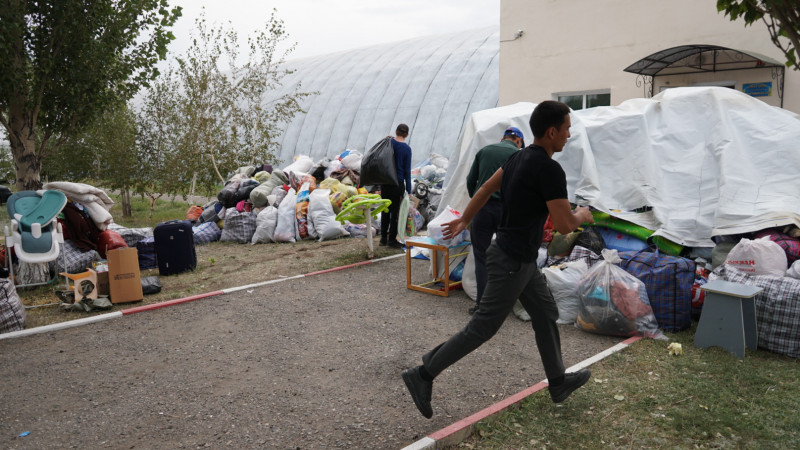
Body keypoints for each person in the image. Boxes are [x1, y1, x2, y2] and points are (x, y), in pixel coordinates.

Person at [401, 101, 595, 419]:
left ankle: (558, 382)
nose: (569, 134)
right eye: (567, 128)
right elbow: (563, 225)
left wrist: (465, 219)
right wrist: (581, 214)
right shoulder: (549, 169)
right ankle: (422, 374)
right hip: (511, 261)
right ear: (551, 131)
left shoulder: (517, 158)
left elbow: (485, 187)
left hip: (521, 260)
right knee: (482, 328)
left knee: (546, 313)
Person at [466, 126, 525, 315]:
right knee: (507, 256)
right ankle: (503, 304)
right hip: (506, 211)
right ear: (518, 141)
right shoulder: (520, 155)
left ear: (503, 138)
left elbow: (470, 181)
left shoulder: (485, 151)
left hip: (482, 209)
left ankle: (482, 305)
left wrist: (476, 202)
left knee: (481, 256)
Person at [380, 123, 412, 249]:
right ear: (407, 135)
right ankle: (391, 239)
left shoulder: (388, 143)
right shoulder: (407, 149)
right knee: (395, 212)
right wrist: (409, 190)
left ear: (396, 131)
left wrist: (388, 138)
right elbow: (407, 172)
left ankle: (383, 238)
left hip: (385, 181)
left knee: (385, 209)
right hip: (397, 183)